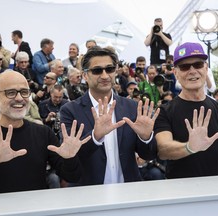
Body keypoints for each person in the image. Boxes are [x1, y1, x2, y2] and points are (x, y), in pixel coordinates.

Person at [0, 70, 90, 196]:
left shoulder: (43, 133)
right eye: (11, 93)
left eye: (24, 92)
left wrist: (70, 158)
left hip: (35, 209)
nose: (19, 98)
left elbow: (72, 177)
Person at [154, 42, 218, 179]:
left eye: (198, 65)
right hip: (180, 191)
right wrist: (190, 147)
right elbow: (163, 149)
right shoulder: (165, 111)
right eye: (184, 67)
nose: (192, 71)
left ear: (206, 68)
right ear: (175, 73)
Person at [60, 46, 160, 186]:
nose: (105, 75)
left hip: (128, 193)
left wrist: (145, 138)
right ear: (84, 75)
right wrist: (95, 137)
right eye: (97, 70)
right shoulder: (70, 111)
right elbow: (70, 165)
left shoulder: (132, 107)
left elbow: (148, 155)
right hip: (89, 196)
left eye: (110, 69)